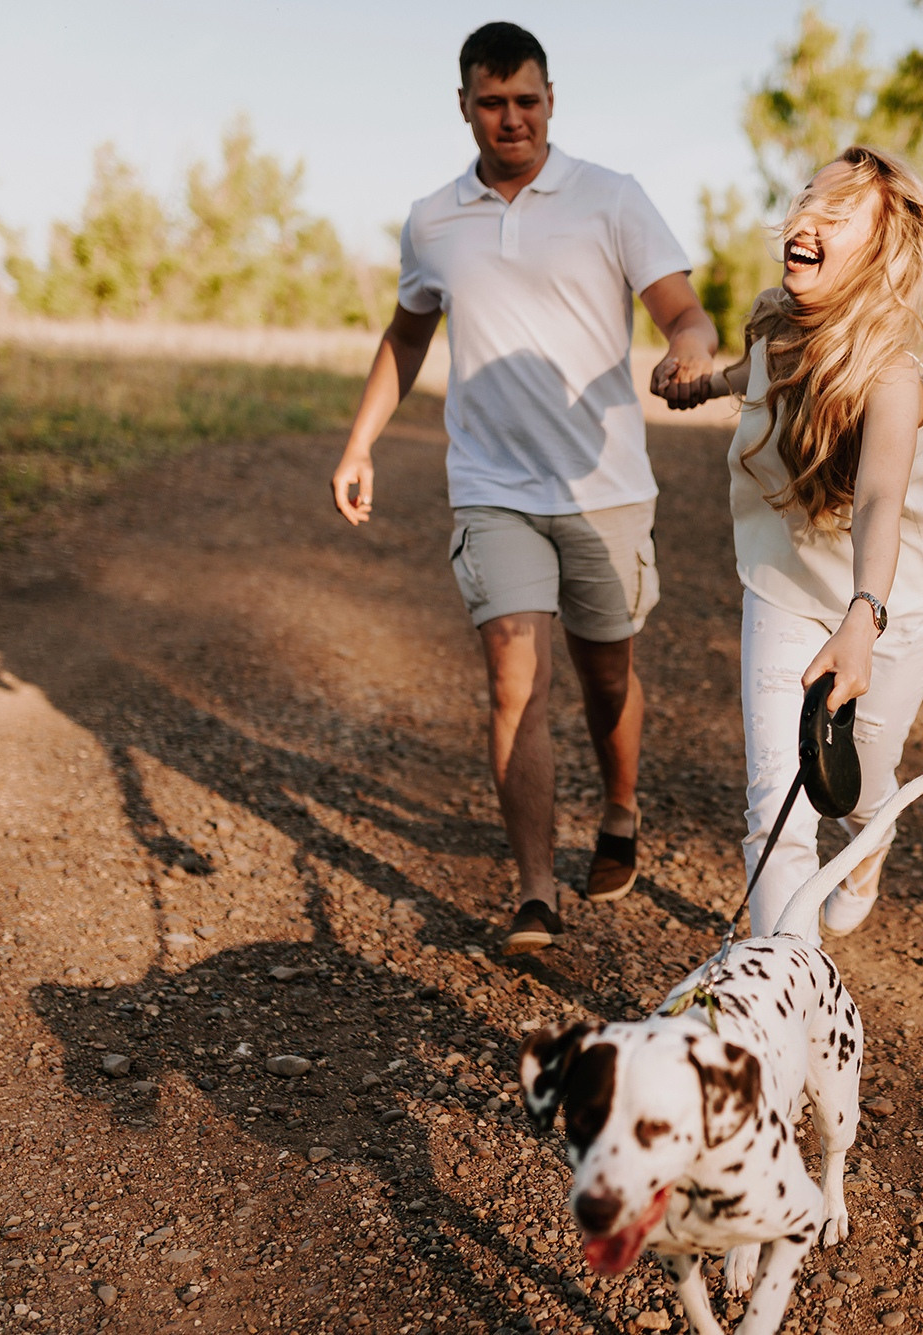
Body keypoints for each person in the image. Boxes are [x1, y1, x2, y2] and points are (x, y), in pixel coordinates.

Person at [330, 21, 718, 956]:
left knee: (606, 672)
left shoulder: (611, 198)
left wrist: (689, 350)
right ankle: (536, 893)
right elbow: (408, 334)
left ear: (552, 100)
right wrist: (360, 442)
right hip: (492, 485)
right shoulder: (432, 219)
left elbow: (684, 311)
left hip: (604, 485)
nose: (513, 120)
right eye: (493, 103)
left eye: (527, 101)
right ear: (464, 106)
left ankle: (620, 809)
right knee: (515, 680)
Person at [667, 146, 923, 942]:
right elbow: (756, 369)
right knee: (775, 808)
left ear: (879, 252)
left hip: (889, 605)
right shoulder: (778, 326)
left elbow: (879, 498)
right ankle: (779, 1008)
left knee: (855, 784)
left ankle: (871, 843)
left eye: (837, 215)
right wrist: (704, 385)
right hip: (785, 586)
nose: (806, 220)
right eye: (806, 202)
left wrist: (863, 619)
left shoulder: (890, 374)